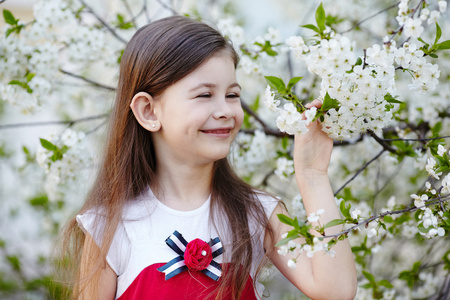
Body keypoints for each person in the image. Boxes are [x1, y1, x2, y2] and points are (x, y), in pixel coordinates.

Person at [60, 15, 357, 300]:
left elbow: (336, 290)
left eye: (232, 95)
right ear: (149, 111)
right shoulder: (111, 226)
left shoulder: (257, 214)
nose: (225, 111)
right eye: (204, 95)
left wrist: (313, 175)